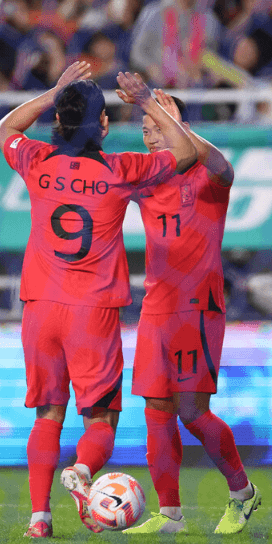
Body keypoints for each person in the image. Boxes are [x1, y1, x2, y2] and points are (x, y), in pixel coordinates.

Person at [0, 64, 196, 538]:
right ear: (103, 125)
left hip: (40, 306)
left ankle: (39, 519)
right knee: (100, 419)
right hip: (93, 310)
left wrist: (54, 91)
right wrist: (146, 102)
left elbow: (4, 128)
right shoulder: (121, 169)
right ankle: (82, 470)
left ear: (56, 122)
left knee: (48, 414)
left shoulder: (36, 159)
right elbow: (186, 152)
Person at [117, 89, 261, 535]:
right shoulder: (146, 179)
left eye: (161, 125)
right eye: (146, 128)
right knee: (156, 408)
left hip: (198, 303)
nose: (152, 135)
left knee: (192, 411)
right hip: (156, 306)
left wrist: (161, 112)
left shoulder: (208, 175)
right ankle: (170, 515)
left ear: (182, 126)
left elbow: (222, 165)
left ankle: (243, 492)